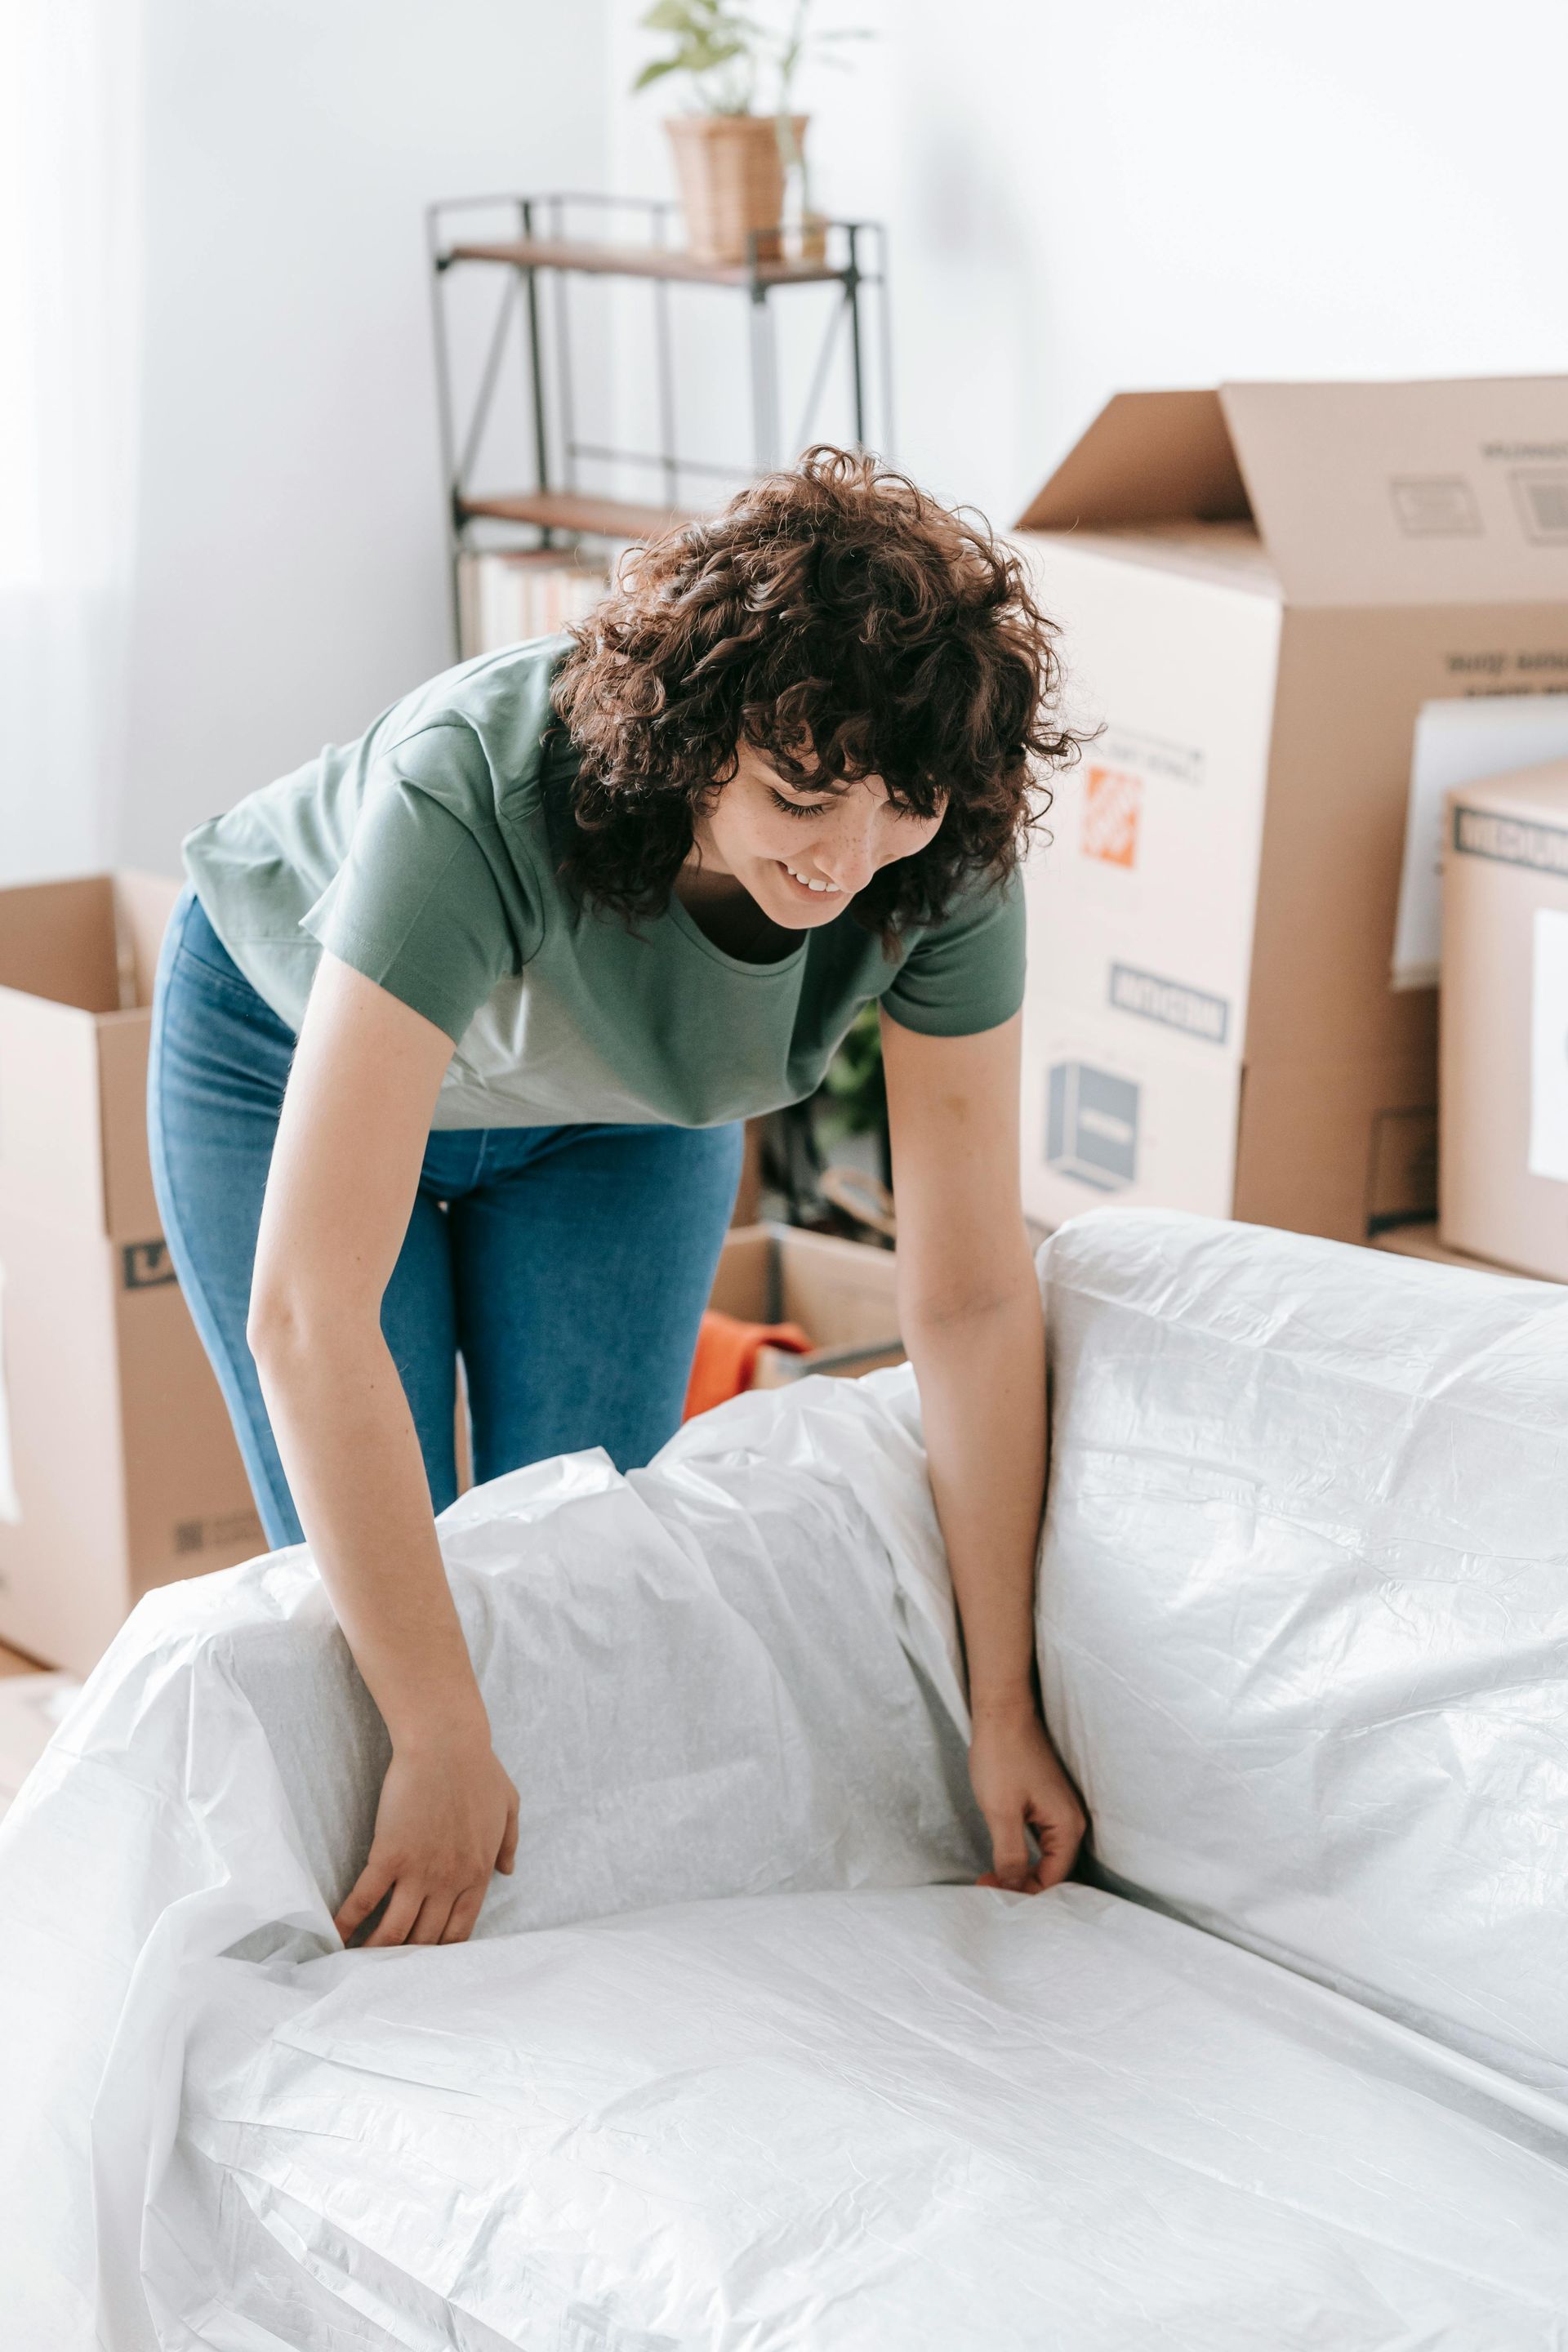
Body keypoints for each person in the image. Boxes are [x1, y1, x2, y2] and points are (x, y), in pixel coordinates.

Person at [147, 445, 1088, 1952]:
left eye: (895, 812)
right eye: (799, 795)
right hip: (283, 1055)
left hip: (614, 1112)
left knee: (579, 1582)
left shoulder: (937, 846)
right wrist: (442, 1731)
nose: (846, 864)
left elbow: (971, 1291)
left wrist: (1003, 1704)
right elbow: (309, 1315)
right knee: (385, 1661)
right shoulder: (480, 784)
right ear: (701, 738)